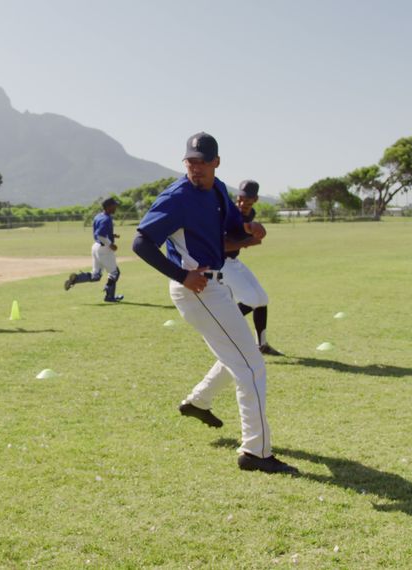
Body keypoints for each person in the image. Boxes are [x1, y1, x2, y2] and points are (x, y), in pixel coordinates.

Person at [132, 132, 297, 475]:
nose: (196, 168)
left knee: (237, 354)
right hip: (197, 289)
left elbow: (230, 237)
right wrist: (180, 275)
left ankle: (198, 402)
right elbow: (141, 242)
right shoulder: (176, 197)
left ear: (216, 162)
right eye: (190, 161)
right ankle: (255, 451)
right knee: (251, 366)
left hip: (216, 285)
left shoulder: (219, 190)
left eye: (202, 162)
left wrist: (252, 233)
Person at [226, 180, 283, 356]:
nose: (243, 204)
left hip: (233, 261)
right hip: (220, 262)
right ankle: (219, 326)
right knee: (251, 299)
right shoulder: (229, 213)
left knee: (262, 299)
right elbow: (221, 246)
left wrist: (249, 239)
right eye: (241, 199)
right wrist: (249, 242)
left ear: (256, 199)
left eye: (248, 201)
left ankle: (262, 345)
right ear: (237, 196)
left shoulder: (251, 214)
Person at [64, 197, 123, 302]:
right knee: (114, 273)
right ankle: (109, 296)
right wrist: (110, 244)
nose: (116, 207)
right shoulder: (107, 219)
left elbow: (99, 233)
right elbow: (100, 235)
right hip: (104, 249)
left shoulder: (99, 216)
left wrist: (112, 235)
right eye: (114, 205)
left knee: (96, 275)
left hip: (96, 247)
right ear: (108, 207)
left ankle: (76, 278)